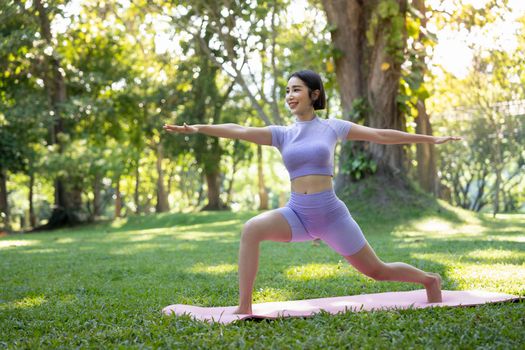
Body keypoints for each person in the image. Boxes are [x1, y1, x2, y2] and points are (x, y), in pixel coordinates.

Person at [163, 69, 462, 315]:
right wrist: (199, 128)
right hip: (297, 215)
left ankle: (429, 280)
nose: (290, 96)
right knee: (251, 229)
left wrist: (430, 139)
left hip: (331, 215)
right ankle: (244, 307)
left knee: (377, 271)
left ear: (314, 94)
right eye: (287, 91)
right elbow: (239, 130)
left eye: (296, 90)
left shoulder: (332, 127)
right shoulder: (282, 134)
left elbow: (380, 135)